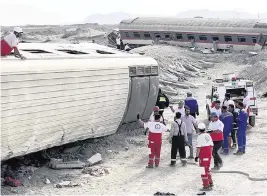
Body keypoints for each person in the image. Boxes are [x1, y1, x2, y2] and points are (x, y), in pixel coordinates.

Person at [195, 123, 214, 191]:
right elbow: (211, 146)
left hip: (203, 156)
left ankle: (206, 186)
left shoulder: (199, 137)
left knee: (203, 171)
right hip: (209, 155)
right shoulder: (208, 135)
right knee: (207, 170)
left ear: (199, 129)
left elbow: (198, 148)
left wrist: (196, 157)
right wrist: (210, 155)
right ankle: (210, 182)